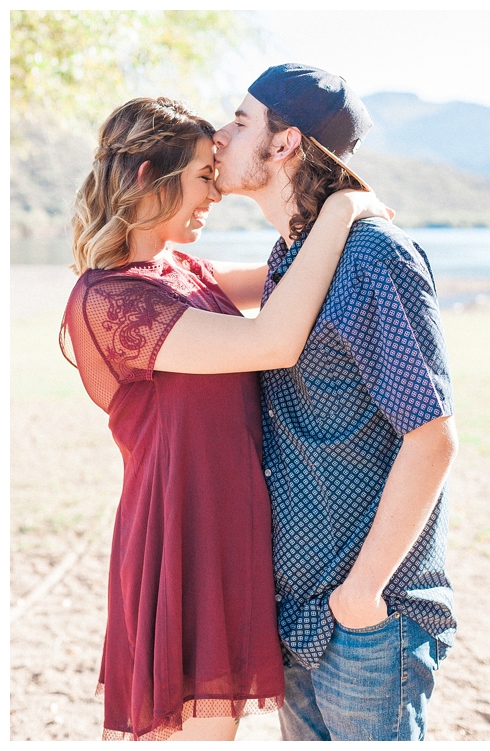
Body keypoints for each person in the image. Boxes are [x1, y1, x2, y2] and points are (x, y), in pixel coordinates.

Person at [60, 97, 391, 741]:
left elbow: (286, 277)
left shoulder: (181, 270)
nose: (215, 195)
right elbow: (273, 339)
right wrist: (346, 207)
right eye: (202, 178)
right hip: (179, 536)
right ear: (144, 176)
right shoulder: (112, 298)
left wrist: (321, 215)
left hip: (228, 531)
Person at [212, 64, 459, 741]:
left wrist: (362, 593)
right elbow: (188, 283)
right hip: (297, 615)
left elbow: (431, 435)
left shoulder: (373, 257)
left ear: (284, 142)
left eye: (238, 121)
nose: (219, 135)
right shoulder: (294, 258)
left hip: (366, 624)